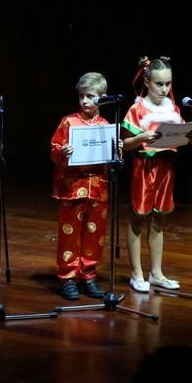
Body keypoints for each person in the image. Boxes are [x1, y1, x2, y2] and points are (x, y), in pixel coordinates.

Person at [121, 56, 192, 293]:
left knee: (159, 218)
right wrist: (141, 138)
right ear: (146, 81)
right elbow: (125, 144)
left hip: (166, 167)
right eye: (159, 84)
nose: (165, 89)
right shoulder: (138, 109)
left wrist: (190, 137)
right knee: (138, 217)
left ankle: (156, 273)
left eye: (168, 84)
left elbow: (179, 135)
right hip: (144, 168)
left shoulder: (171, 109)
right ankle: (136, 273)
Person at [50, 72, 120, 300]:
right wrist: (63, 151)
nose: (84, 101)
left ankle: (88, 275)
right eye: (81, 96)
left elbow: (112, 159)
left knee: (95, 234)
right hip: (72, 186)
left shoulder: (106, 125)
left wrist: (116, 149)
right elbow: (54, 149)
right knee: (69, 234)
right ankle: (68, 277)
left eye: (90, 96)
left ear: (102, 97)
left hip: (98, 186)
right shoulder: (69, 122)